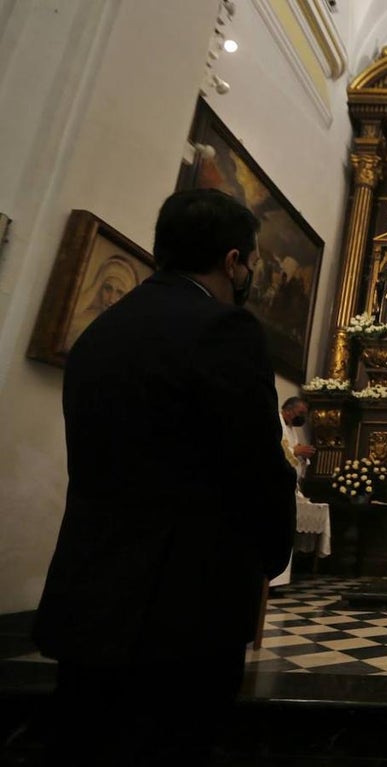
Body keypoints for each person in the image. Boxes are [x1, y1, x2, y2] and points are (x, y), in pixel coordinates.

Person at [31, 188, 298, 766]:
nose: (249, 273)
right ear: (233, 261)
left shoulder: (101, 331)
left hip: (90, 594)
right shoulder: (225, 330)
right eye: (250, 262)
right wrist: (270, 555)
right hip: (183, 608)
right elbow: (254, 462)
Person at [281, 395, 316, 490]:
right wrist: (295, 451)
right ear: (288, 410)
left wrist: (303, 454)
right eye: (301, 413)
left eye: (305, 414)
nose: (303, 417)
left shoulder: (291, 428)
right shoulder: (276, 423)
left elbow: (296, 449)